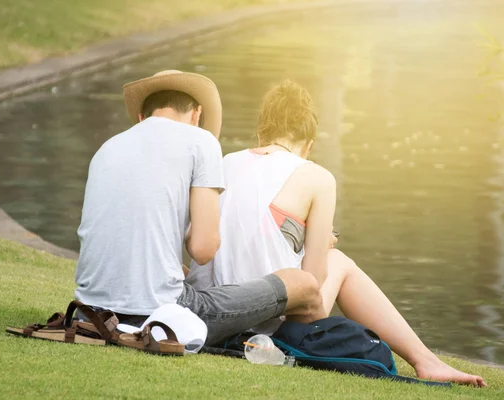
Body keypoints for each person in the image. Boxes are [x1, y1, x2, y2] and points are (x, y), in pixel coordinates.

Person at [186, 79, 487, 387]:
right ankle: (426, 361)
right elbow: (313, 283)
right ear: (309, 144)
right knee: (338, 260)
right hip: (267, 325)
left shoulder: (224, 162)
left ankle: (428, 361)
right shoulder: (316, 176)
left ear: (261, 133)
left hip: (211, 311)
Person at [74, 70, 329, 346]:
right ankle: (324, 347)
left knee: (180, 273)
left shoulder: (107, 148)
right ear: (196, 115)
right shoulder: (201, 141)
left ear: (141, 117)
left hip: (89, 312)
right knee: (301, 283)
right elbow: (203, 250)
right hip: (160, 315)